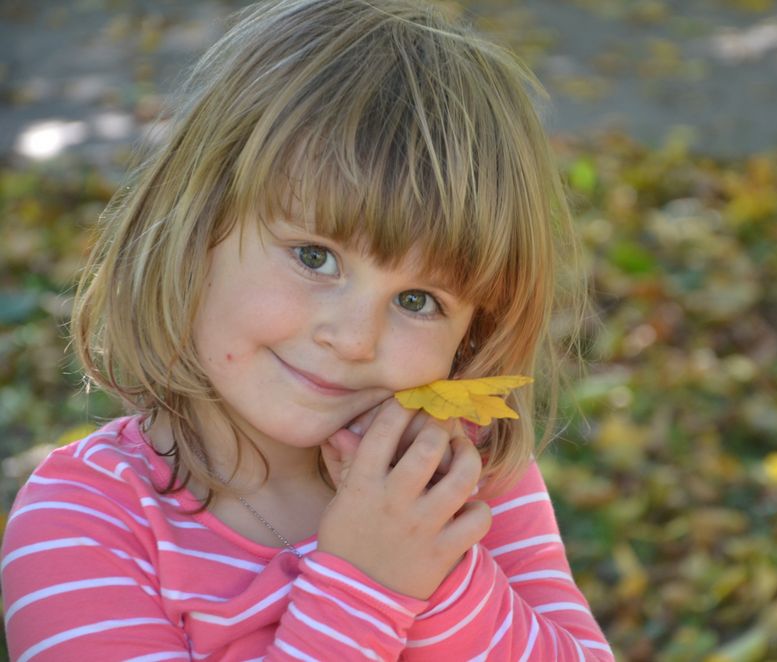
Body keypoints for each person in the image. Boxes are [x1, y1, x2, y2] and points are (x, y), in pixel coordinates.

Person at [1, 0, 614, 660]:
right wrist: (366, 589)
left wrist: (441, 576)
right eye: (314, 257)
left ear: (471, 333)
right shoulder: (84, 523)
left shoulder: (462, 475)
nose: (353, 339)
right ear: (196, 227)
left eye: (416, 299)